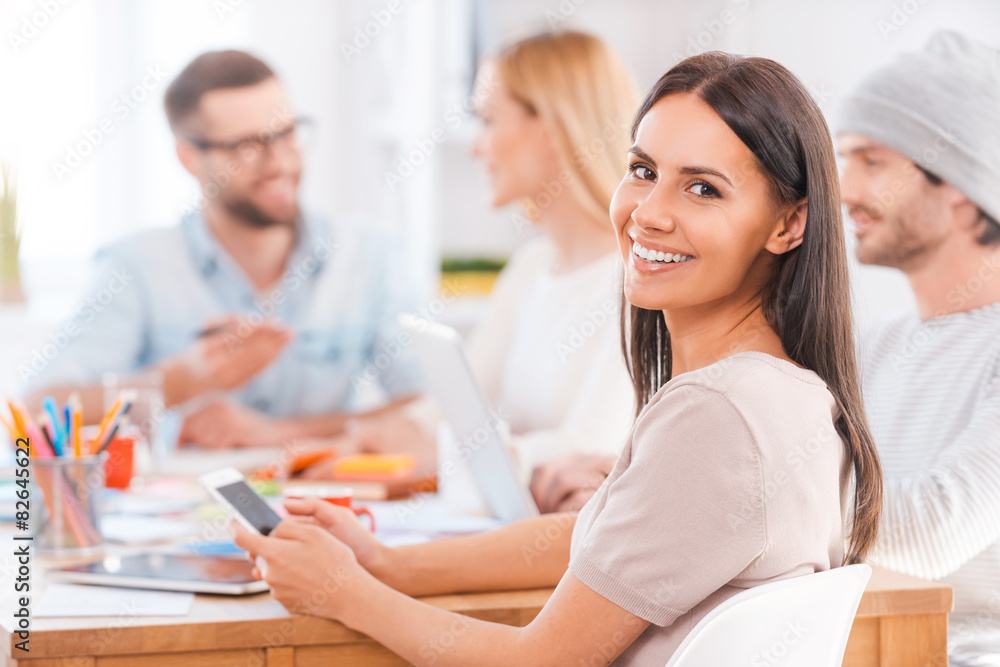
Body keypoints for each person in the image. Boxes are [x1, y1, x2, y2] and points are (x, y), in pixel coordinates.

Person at [233, 51, 883, 665]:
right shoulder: (788, 392)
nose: (647, 213)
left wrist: (344, 593)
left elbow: (540, 659)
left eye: (704, 189)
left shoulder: (715, 414)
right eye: (644, 171)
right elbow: (595, 546)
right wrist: (386, 563)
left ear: (788, 224)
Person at [23, 50, 422, 449]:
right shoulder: (136, 266)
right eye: (248, 145)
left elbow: (429, 406)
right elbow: (34, 413)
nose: (281, 161)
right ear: (188, 157)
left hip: (322, 502)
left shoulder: (371, 256)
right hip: (185, 506)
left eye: (287, 133)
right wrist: (178, 382)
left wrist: (275, 436)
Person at [321, 32, 638, 479]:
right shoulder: (531, 267)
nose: (475, 145)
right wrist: (380, 441)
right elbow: (460, 401)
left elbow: (591, 449)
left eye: (488, 121)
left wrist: (429, 460)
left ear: (552, 127)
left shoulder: (639, 280)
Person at [836, 31, 1000, 666]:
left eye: (872, 162)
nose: (845, 191)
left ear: (961, 182)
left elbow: (929, 535)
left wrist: (735, 498)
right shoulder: (870, 349)